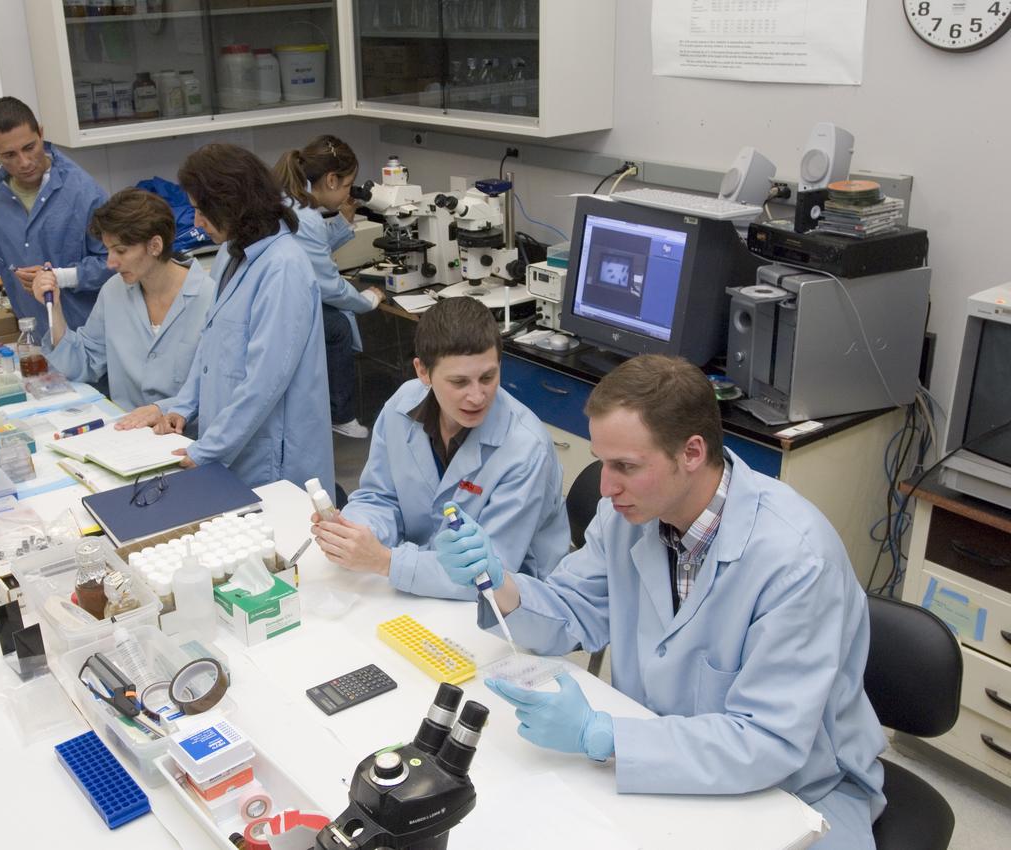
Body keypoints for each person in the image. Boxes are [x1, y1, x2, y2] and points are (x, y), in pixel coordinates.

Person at [435, 354, 885, 850]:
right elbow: (573, 610)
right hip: (658, 761)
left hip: (796, 795)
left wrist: (601, 733)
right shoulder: (627, 518)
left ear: (691, 452)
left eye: (626, 466)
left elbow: (768, 742)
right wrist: (499, 584)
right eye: (602, 462)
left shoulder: (796, 562)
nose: (606, 487)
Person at [312, 297, 568, 599]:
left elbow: (491, 572)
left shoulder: (526, 448)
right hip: (420, 581)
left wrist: (385, 562)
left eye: (488, 377)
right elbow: (380, 497)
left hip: (504, 605)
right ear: (423, 372)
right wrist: (352, 533)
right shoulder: (401, 407)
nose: (477, 396)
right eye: (459, 382)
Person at [147, 143, 334, 494]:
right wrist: (183, 408)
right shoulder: (231, 253)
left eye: (202, 211)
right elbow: (210, 345)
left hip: (270, 457)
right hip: (227, 441)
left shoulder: (283, 267)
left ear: (232, 203)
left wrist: (208, 449)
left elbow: (265, 380)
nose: (197, 223)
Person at [0, 96, 109, 338]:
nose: (24, 162)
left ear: (41, 134)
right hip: (35, 336)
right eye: (9, 155)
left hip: (89, 336)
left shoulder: (83, 191)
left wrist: (59, 277)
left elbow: (114, 264)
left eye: (29, 147)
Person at [29, 188, 213, 417]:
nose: (110, 263)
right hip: (127, 430)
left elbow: (217, 390)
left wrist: (162, 411)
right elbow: (80, 365)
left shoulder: (210, 297)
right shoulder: (113, 291)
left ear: (155, 246)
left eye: (121, 251)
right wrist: (55, 307)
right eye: (108, 250)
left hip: (186, 433)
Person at [274, 135, 385, 439]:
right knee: (337, 327)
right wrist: (366, 301)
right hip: (281, 304)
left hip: (276, 294)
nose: (350, 192)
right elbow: (331, 287)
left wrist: (343, 221)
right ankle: (342, 415)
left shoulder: (291, 199)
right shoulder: (305, 216)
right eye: (349, 185)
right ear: (332, 180)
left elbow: (311, 248)